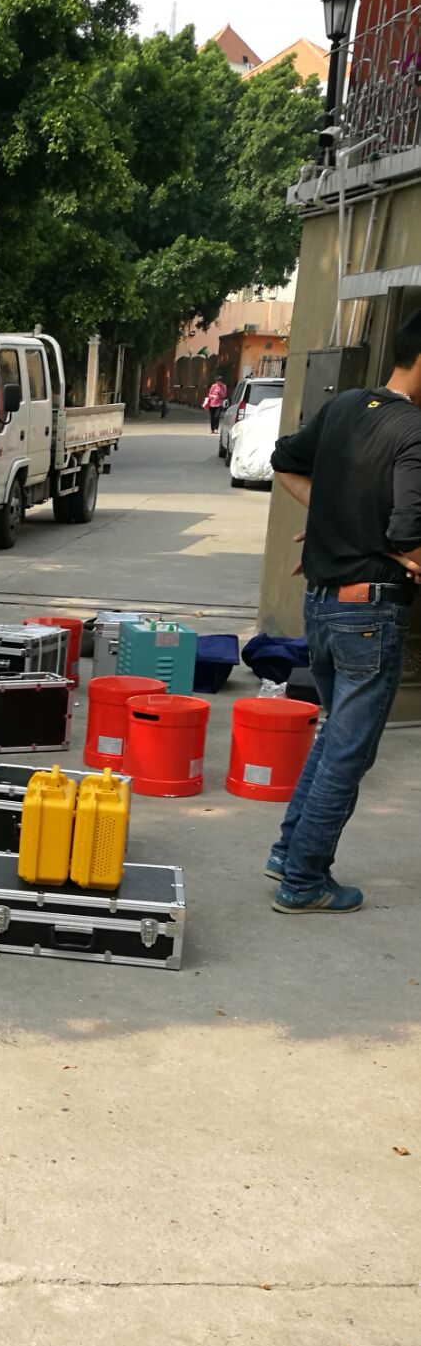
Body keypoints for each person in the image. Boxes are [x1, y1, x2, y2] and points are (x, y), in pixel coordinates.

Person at [264, 311, 421, 914]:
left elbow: (285, 460)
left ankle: (288, 853)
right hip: (368, 616)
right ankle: (304, 881)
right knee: (349, 753)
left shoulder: (348, 404)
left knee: (335, 737)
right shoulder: (414, 430)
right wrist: (392, 547)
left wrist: (334, 519)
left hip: (324, 608)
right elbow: (408, 533)